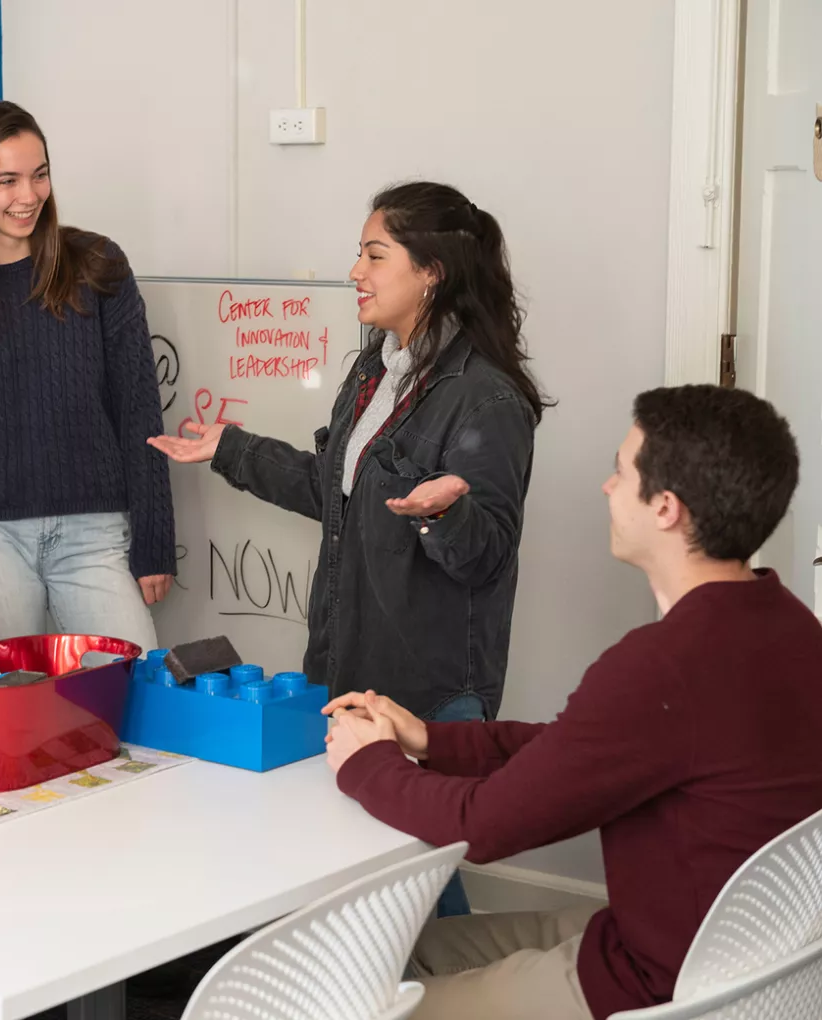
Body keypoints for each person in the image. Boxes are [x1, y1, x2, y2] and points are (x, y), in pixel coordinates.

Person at [322, 385, 822, 1020]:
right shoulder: (790, 627)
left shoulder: (664, 666)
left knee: (362, 1002)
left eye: (620, 472)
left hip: (656, 986)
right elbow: (582, 748)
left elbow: (482, 827)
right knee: (400, 955)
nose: (607, 489)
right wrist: (430, 740)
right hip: (718, 956)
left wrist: (367, 763)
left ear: (666, 508)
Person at [148, 182, 548, 915]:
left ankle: (447, 987)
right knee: (364, 867)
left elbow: (486, 555)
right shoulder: (375, 372)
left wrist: (438, 515)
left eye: (374, 254)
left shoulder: (487, 398)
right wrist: (227, 449)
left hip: (427, 686)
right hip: (344, 661)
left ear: (432, 270)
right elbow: (332, 493)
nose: (355, 272)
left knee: (419, 875)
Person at [0, 99, 176, 651]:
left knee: (132, 687)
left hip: (95, 529)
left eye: (40, 174)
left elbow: (139, 409)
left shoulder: (98, 267)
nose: (29, 196)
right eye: (7, 180)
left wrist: (155, 541)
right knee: (8, 708)